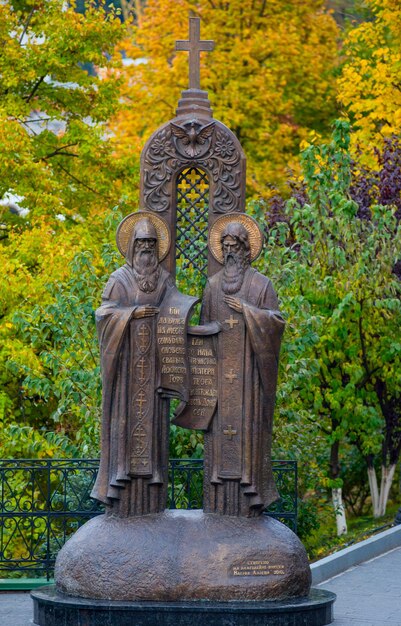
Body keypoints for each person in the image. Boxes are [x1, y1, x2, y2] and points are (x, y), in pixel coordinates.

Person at [91, 214, 190, 516]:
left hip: (156, 368)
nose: (147, 249)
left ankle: (151, 497)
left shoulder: (164, 279)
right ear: (132, 247)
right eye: (142, 243)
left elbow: (176, 311)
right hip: (128, 373)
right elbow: (104, 314)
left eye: (151, 243)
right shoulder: (119, 279)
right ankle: (121, 490)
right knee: (126, 430)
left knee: (153, 434)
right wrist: (131, 314)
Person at [201, 217, 285, 517]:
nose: (228, 251)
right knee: (220, 440)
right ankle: (218, 504)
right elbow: (203, 328)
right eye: (224, 246)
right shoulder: (212, 287)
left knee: (247, 436)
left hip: (248, 379)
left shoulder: (261, 285)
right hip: (221, 380)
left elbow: (276, 322)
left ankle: (249, 497)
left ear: (245, 248)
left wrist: (248, 311)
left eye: (234, 245)